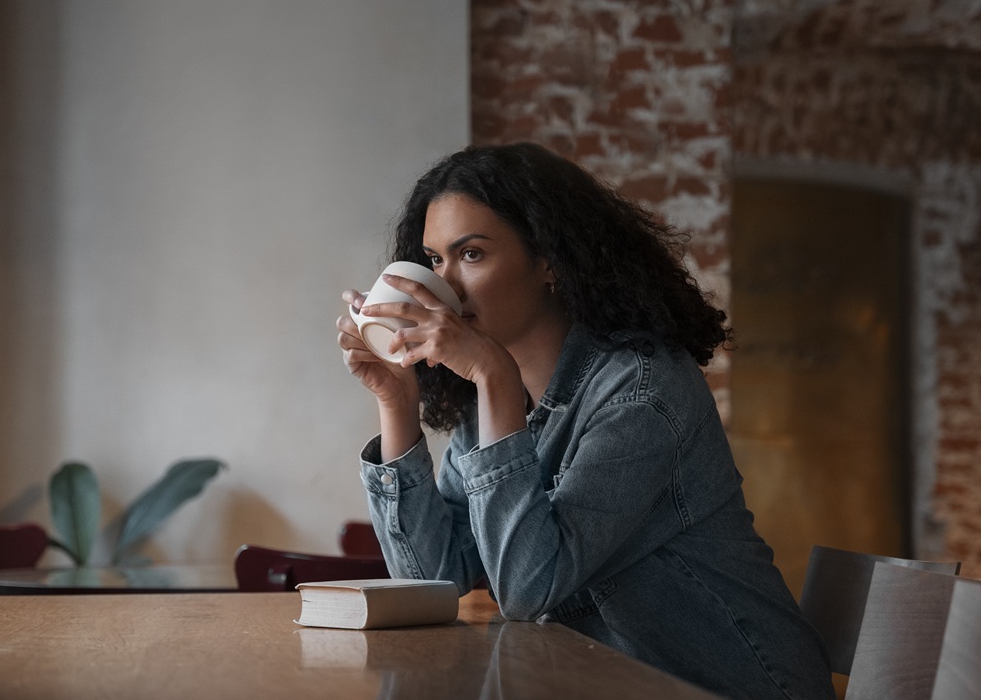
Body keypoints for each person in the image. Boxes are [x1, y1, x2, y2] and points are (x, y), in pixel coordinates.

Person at [335, 142, 834, 699]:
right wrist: (397, 402)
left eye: (471, 254)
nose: (446, 285)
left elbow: (528, 588)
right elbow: (431, 583)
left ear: (550, 260)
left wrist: (493, 377)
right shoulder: (493, 399)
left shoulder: (642, 389)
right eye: (435, 261)